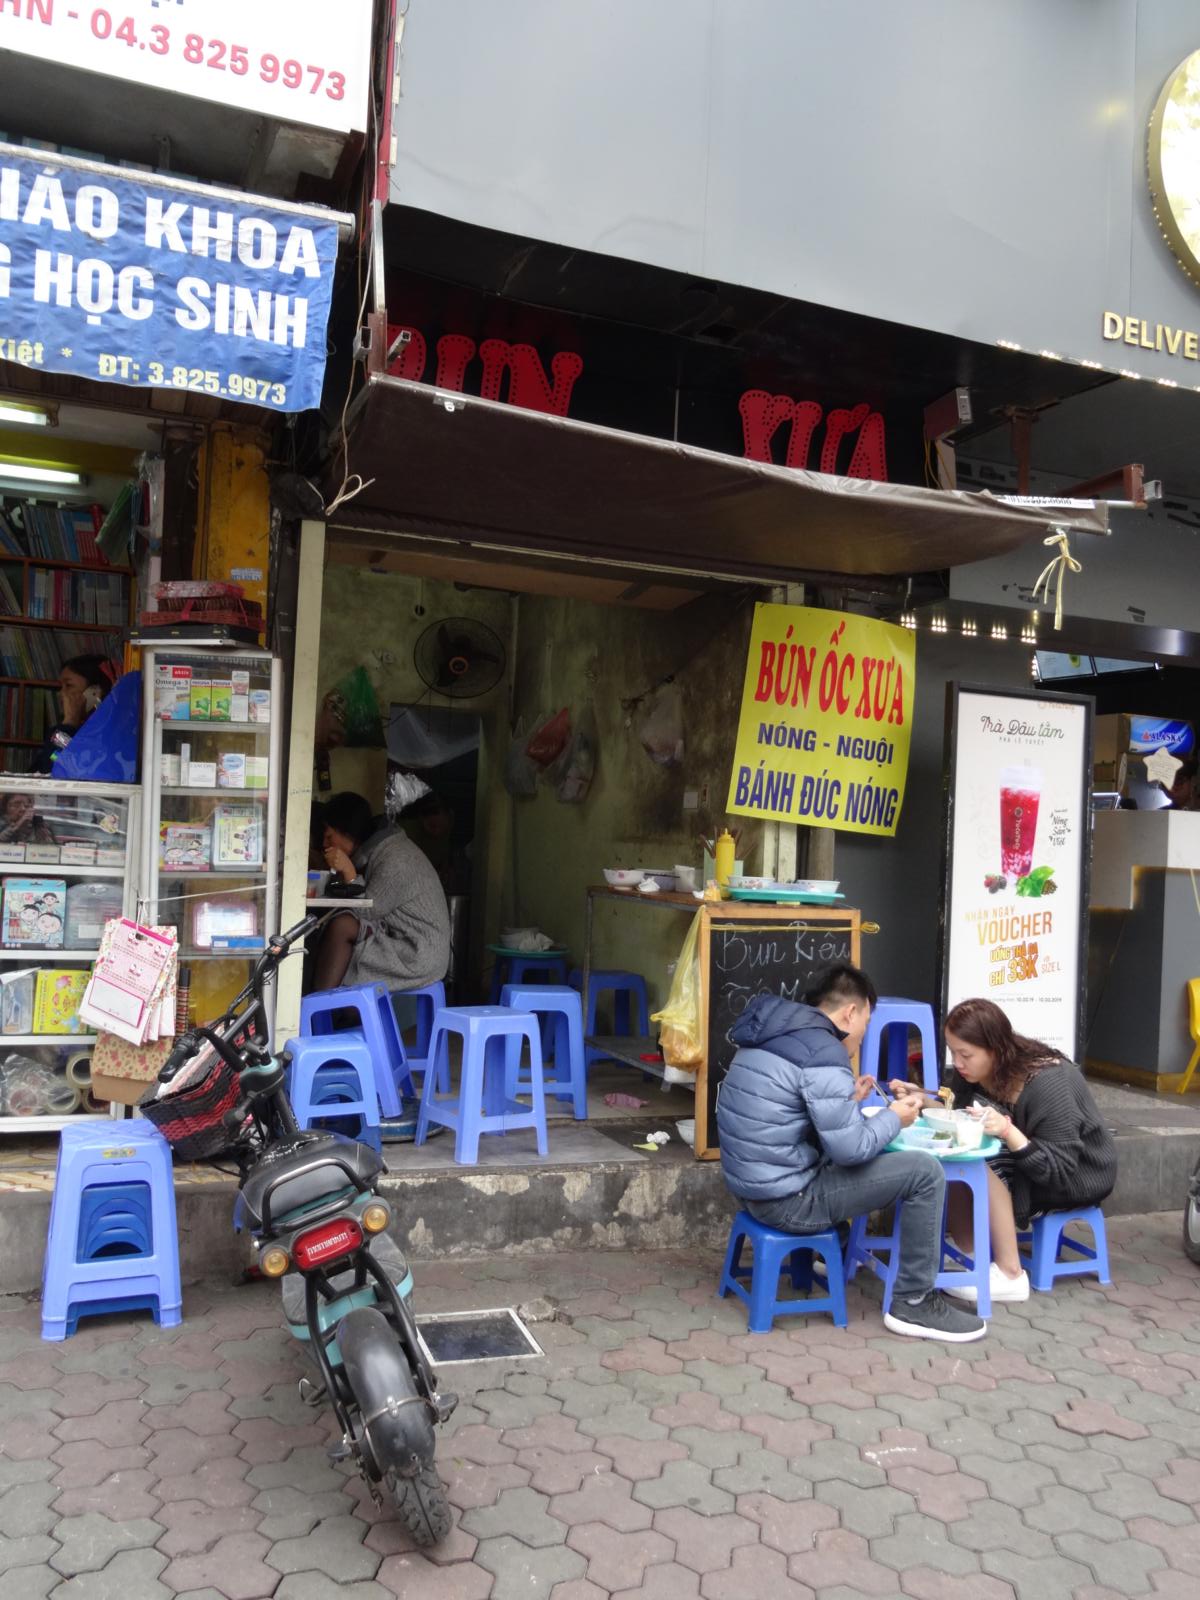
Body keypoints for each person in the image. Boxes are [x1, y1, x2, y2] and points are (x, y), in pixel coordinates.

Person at [717, 964, 986, 1343]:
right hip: (786, 1202)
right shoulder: (824, 1051)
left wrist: (847, 1100)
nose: (862, 1035)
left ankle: (835, 1254)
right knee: (925, 1172)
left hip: (749, 1190)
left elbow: (784, 1117)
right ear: (850, 1013)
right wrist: (894, 1117)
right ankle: (914, 1302)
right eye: (866, 1023)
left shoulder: (774, 1032)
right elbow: (850, 1150)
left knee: (866, 1158)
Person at [890, 997, 1118, 1307]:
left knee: (981, 1155)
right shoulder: (975, 1073)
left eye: (965, 1054)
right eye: (953, 1052)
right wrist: (922, 1099)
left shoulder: (1050, 1084)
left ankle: (1011, 1274)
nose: (958, 1062)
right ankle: (974, 1257)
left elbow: (1059, 1171)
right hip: (1030, 1160)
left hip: (1078, 1174)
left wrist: (1008, 1131)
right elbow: (959, 1114)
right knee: (950, 1149)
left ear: (995, 1049)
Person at [311, 791, 451, 994]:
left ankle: (321, 1003)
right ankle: (323, 1003)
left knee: (341, 932)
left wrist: (349, 873)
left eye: (329, 836)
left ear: (346, 832)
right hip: (402, 941)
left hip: (418, 954)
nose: (325, 843)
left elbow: (368, 911)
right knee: (341, 927)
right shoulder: (382, 851)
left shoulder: (396, 858)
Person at [31, 655, 113, 775]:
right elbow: (48, 761)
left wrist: (70, 722)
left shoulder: (106, 734)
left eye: (68, 686)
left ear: (94, 693)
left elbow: (56, 765)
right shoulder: (62, 731)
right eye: (61, 687)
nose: (61, 694)